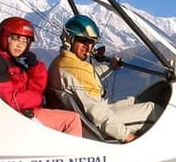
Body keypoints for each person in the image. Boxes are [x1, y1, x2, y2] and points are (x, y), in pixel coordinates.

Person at [47, 15, 162, 143]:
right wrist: (127, 136)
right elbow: (98, 114)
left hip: (84, 118)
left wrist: (109, 67)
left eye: (91, 42)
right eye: (82, 40)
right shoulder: (77, 70)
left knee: (133, 101)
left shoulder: (61, 63)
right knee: (151, 110)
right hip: (92, 127)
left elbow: (85, 79)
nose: (88, 47)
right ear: (69, 40)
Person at [0, 17, 81, 137]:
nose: (20, 45)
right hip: (10, 117)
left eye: (25, 41)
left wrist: (35, 67)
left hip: (22, 113)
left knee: (69, 116)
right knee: (72, 120)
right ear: (4, 38)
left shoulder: (15, 63)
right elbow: (11, 100)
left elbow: (35, 89)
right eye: (16, 38)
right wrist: (39, 99)